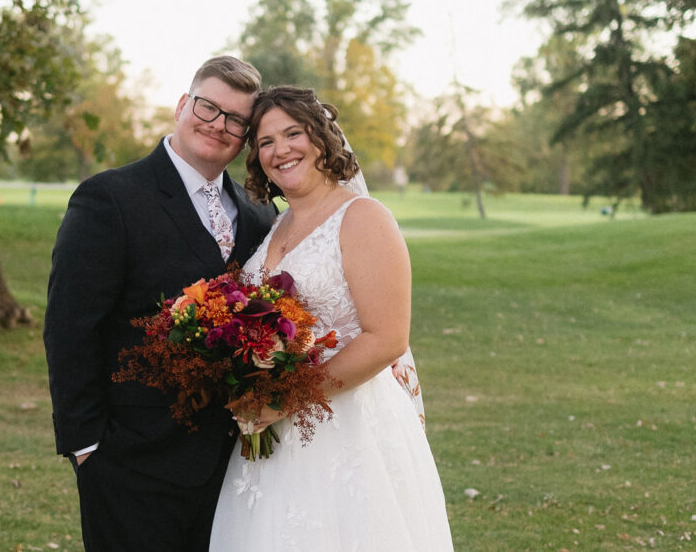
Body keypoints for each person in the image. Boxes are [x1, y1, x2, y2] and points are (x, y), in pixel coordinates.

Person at [43, 56, 277, 551]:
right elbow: (70, 328)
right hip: (130, 461)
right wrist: (87, 448)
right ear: (182, 105)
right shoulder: (109, 198)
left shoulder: (259, 215)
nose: (219, 125)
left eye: (236, 120)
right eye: (208, 107)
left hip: (232, 466)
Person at [210, 86, 454, 551]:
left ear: (322, 137)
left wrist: (283, 400)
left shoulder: (363, 217)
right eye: (265, 142)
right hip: (269, 436)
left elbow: (386, 339)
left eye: (293, 133)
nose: (280, 149)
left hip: (349, 431)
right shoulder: (275, 224)